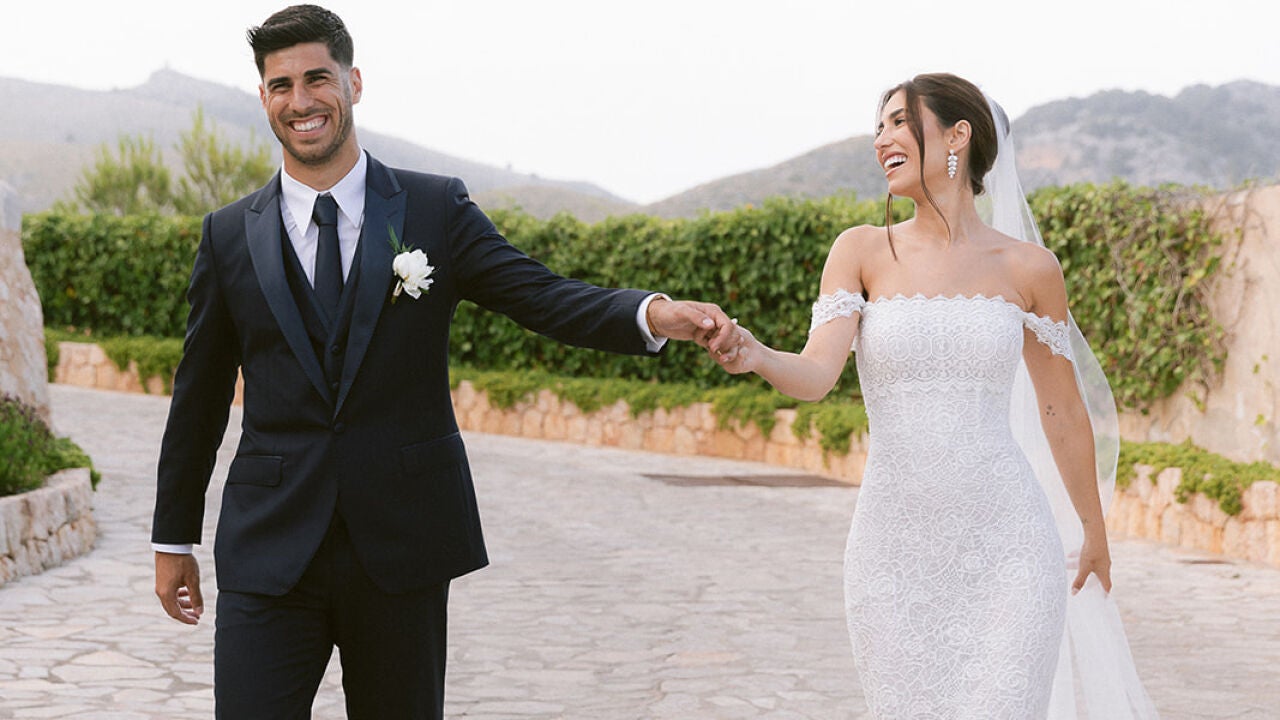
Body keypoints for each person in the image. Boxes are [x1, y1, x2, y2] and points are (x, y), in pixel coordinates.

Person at [150, 5, 736, 718]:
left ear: (353, 83)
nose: (300, 101)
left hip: (402, 543)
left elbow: (540, 295)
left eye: (317, 79)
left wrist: (651, 314)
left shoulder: (434, 208)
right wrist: (172, 536)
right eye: (281, 86)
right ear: (265, 97)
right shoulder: (227, 235)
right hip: (269, 546)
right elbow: (200, 395)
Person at [712, 73, 1159, 718]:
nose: (881, 139)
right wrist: (755, 353)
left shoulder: (1030, 268)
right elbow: (816, 374)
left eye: (899, 121)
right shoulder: (861, 250)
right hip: (893, 549)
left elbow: (1061, 409)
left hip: (1011, 547)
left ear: (958, 135)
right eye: (878, 127)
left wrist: (1094, 530)